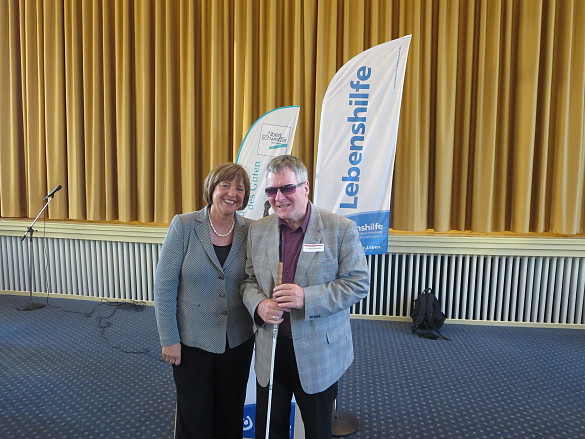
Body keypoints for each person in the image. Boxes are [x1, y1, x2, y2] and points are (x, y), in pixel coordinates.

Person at [241, 155, 370, 439]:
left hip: (318, 351)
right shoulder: (258, 230)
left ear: (305, 187)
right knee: (269, 428)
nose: (278, 197)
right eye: (271, 191)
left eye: (286, 188)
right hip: (271, 349)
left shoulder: (340, 228)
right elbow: (248, 280)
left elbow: (358, 283)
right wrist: (259, 304)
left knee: (316, 429)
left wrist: (307, 298)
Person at [154, 163, 254, 439]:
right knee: (194, 416)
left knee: (230, 413)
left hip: (237, 341)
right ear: (212, 188)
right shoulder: (184, 225)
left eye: (239, 188)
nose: (232, 193)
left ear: (245, 197)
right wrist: (169, 339)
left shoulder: (252, 230)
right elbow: (164, 285)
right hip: (191, 343)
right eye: (225, 186)